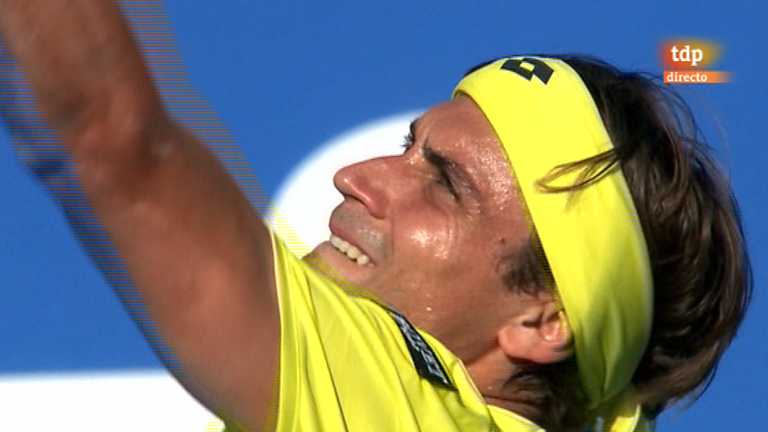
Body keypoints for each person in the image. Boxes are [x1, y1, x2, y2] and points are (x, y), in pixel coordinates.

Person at [0, 1, 751, 431]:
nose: (356, 178)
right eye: (407, 148)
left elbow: (113, 136)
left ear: (542, 321)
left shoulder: (393, 407)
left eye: (446, 185)